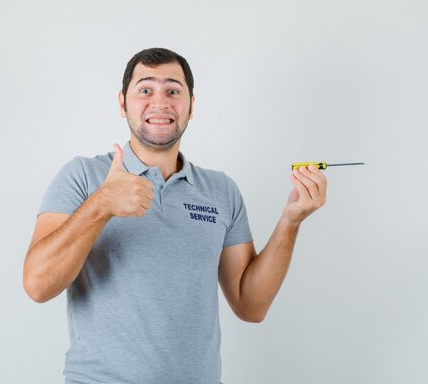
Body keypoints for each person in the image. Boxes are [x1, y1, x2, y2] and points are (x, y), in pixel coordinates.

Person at [23, 47, 327, 384]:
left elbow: (250, 305)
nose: (160, 102)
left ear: (191, 106)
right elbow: (38, 285)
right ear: (123, 103)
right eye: (145, 90)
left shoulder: (221, 190)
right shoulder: (83, 176)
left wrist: (291, 220)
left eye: (173, 90)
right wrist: (101, 205)